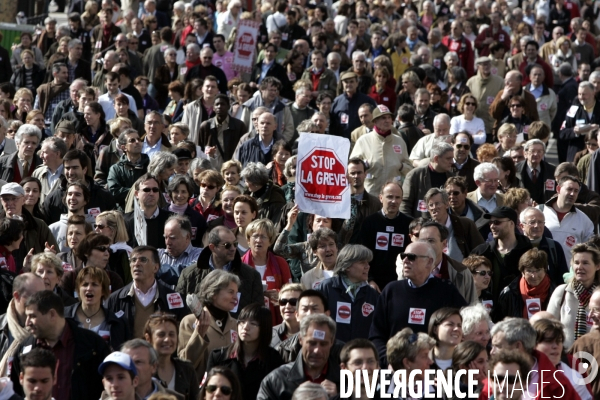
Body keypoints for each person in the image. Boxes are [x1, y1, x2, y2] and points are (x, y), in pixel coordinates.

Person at [369, 241, 468, 364]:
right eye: (403, 256)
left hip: (433, 371)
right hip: (395, 371)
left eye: (411, 257)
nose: (405, 260)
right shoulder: (391, 290)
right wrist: (389, 362)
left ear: (429, 262)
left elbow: (465, 327)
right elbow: (376, 334)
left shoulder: (446, 291)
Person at [9, 290, 111, 400]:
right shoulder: (24, 348)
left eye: (33, 316)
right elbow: (15, 390)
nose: (27, 323)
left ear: (52, 314)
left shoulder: (92, 345)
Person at [485, 318, 580, 400]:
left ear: (518, 346)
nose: (492, 352)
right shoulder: (490, 380)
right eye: (498, 379)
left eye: (498, 346)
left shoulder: (557, 384)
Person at [175, 226, 263, 315]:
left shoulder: (251, 276)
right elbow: (178, 310)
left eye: (235, 244)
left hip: (236, 328)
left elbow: (258, 314)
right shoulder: (189, 274)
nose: (233, 248)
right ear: (212, 247)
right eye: (227, 245)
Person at [106, 245, 189, 339]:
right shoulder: (115, 299)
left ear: (156, 268)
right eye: (133, 260)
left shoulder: (173, 298)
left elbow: (182, 334)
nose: (137, 264)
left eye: (143, 260)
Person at [207, 304, 283, 400]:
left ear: (264, 328)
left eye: (253, 323)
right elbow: (208, 390)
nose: (245, 327)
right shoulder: (219, 356)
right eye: (242, 322)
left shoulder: (273, 359)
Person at [258, 314, 339, 400]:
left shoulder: (345, 383)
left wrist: (338, 397)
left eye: (323, 344)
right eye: (312, 343)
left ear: (332, 342)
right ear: (300, 339)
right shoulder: (276, 380)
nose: (317, 350)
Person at [177, 269, 240, 381]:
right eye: (231, 292)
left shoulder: (237, 325)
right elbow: (184, 364)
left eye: (236, 292)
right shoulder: (189, 322)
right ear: (214, 293)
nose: (236, 298)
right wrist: (199, 334)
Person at [317, 244, 379, 342]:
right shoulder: (326, 288)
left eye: (368, 263)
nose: (367, 266)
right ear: (347, 266)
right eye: (362, 262)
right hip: (332, 353)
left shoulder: (373, 295)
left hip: (360, 354)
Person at [471, 206, 533, 301]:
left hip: (519, 309)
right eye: (490, 222)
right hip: (488, 309)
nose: (492, 226)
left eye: (497, 222)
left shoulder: (529, 251)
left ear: (511, 224)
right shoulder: (481, 252)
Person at [350, 105, 413, 195]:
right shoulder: (363, 141)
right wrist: (364, 164)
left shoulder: (399, 141)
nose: (387, 120)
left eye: (389, 117)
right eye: (383, 118)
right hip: (371, 193)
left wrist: (401, 166)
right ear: (375, 121)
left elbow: (410, 169)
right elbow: (352, 167)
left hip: (392, 195)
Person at [547, 243, 600, 349]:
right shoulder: (562, 292)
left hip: (595, 357)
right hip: (566, 357)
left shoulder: (598, 295)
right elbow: (547, 327)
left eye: (585, 263)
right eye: (576, 263)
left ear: (597, 266)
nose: (580, 267)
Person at [64, 267, 127, 351]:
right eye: (85, 284)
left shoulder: (117, 322)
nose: (89, 288)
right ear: (78, 290)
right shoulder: (63, 316)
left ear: (104, 290)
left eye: (94, 284)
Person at [532, 318, 593, 400]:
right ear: (533, 344)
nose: (555, 346)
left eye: (559, 341)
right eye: (549, 341)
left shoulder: (574, 378)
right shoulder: (519, 373)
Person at [0, 183, 58, 270]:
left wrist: (47, 256)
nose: (10, 203)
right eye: (6, 199)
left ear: (23, 200)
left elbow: (55, 254)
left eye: (14, 199)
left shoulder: (37, 225)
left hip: (32, 277)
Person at [143, 312, 198, 400]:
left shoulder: (187, 369)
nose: (167, 339)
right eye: (161, 335)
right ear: (148, 338)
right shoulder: (143, 371)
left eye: (172, 334)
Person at [493, 248, 557, 322]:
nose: (534, 276)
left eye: (538, 270)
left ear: (545, 270)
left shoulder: (557, 292)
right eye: (529, 271)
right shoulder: (509, 293)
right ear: (522, 272)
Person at [0, 273, 45, 376]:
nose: (41, 302)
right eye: (35, 296)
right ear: (17, 296)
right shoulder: (2, 326)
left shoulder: (47, 329)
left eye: (44, 296)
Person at [541, 175, 594, 262]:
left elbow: (589, 251)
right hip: (541, 273)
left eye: (576, 191)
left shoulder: (584, 220)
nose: (572, 194)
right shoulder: (540, 212)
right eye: (569, 189)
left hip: (570, 273)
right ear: (558, 189)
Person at [402, 142, 454, 217]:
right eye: (448, 158)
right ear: (436, 159)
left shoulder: (451, 177)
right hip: (421, 225)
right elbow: (405, 204)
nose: (452, 162)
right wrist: (411, 225)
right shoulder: (415, 175)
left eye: (452, 158)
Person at [519, 207, 569, 285]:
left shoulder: (554, 247)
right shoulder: (516, 247)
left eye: (540, 222)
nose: (536, 225)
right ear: (522, 226)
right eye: (532, 222)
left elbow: (561, 278)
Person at [124, 174, 173, 249]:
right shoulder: (125, 221)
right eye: (146, 190)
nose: (151, 193)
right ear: (137, 194)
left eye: (155, 190)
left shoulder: (171, 220)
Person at [198, 94, 247, 170]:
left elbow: (244, 149)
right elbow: (200, 149)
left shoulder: (239, 126)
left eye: (222, 104)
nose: (219, 106)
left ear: (228, 107)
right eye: (217, 104)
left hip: (231, 168)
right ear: (213, 108)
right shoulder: (206, 126)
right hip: (211, 168)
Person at [157, 215, 202, 288]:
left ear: (187, 237)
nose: (168, 242)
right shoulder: (157, 255)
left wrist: (155, 268)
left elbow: (188, 274)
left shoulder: (200, 255)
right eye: (165, 237)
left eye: (172, 238)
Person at [385, 327, 436, 393]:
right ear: (407, 363)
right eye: (424, 356)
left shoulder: (437, 393)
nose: (431, 362)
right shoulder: (379, 392)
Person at [571, 288, 600, 399]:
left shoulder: (586, 343)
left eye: (596, 310)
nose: (590, 315)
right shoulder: (583, 344)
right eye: (590, 310)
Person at [166, 175, 207, 248]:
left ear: (189, 194)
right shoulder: (161, 214)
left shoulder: (198, 219)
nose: (179, 195)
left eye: (183, 192)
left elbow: (200, 244)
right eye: (176, 191)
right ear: (170, 193)